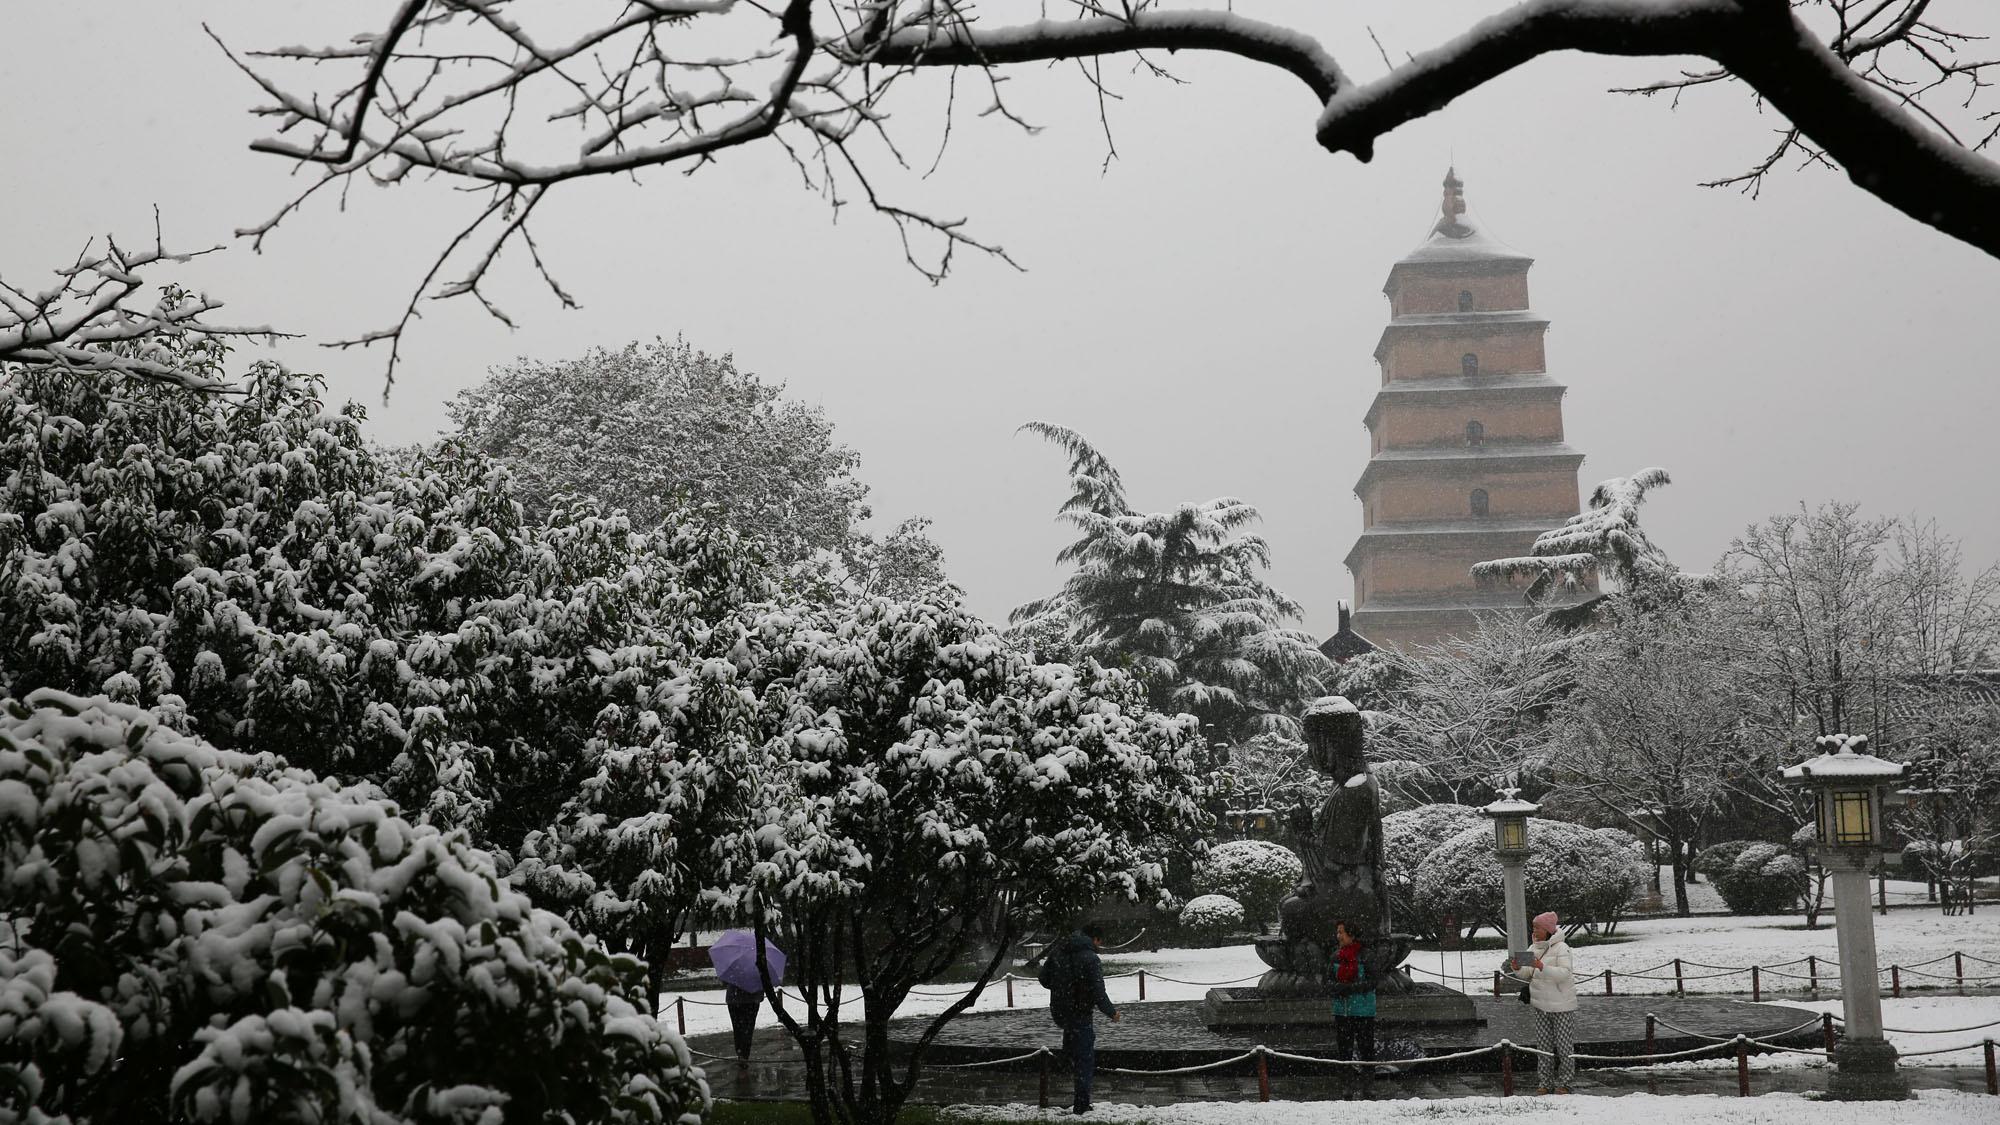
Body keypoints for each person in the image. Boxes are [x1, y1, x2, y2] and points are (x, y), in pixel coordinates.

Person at [1038, 921, 1121, 1114]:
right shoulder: (1090, 958)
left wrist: (1061, 987)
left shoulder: (1060, 950)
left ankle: (1061, 1078)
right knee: (1085, 1059)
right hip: (1081, 1013)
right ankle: (1081, 1104)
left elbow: (1044, 978)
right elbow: (1098, 992)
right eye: (1099, 942)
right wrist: (1112, 1012)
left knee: (1072, 1052)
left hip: (1060, 1012)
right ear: (1095, 939)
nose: (1099, 946)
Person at [1512, 910, 1578, 1094]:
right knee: (1543, 1046)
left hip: (1561, 1006)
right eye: (1533, 927)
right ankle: (1545, 1083)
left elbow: (1564, 974)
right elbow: (1527, 973)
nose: (1534, 931)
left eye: (1537, 927)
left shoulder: (1561, 948)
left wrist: (1542, 967)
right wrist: (1517, 968)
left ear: (1548, 929)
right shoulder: (1533, 948)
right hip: (1540, 1005)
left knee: (1564, 1046)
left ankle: (1565, 1083)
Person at [1327, 920, 1378, 1099]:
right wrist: (1336, 987)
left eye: (1341, 932)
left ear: (1352, 935)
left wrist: (1350, 988)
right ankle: (1346, 1085)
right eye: (1337, 932)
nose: (1338, 936)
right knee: (1344, 1050)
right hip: (1342, 1011)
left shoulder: (1366, 955)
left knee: (1366, 1049)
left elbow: (1373, 981)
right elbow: (1328, 981)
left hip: (1363, 1010)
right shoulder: (1335, 956)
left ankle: (1368, 1086)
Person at [723, 982, 764, 1069]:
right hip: (751, 999)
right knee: (748, 1029)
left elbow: (724, 980)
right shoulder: (755, 970)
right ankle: (744, 1055)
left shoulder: (732, 970)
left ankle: (740, 1053)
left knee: (738, 1029)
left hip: (734, 999)